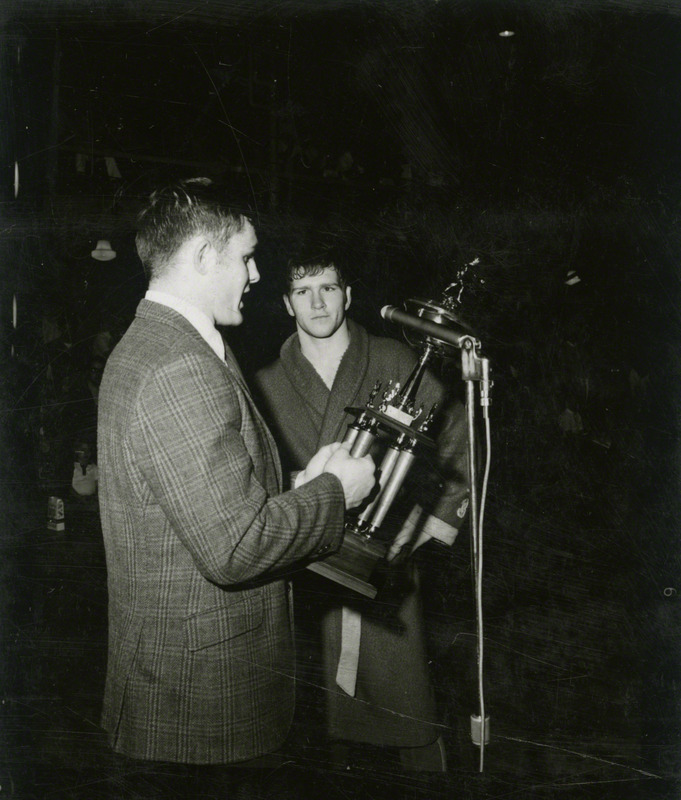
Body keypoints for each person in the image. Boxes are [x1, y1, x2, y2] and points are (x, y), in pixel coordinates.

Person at [96, 179, 375, 765]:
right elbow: (235, 544)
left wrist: (296, 487)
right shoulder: (180, 366)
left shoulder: (161, 345)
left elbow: (208, 502)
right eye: (246, 258)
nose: (254, 276)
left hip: (181, 689)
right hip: (202, 707)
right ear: (203, 256)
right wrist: (335, 493)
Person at [254, 253, 469, 771]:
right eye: (303, 292)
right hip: (303, 566)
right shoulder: (262, 383)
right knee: (316, 729)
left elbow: (461, 441)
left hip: (387, 564)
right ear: (286, 304)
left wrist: (423, 530)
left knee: (407, 709)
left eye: (328, 288)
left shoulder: (396, 360)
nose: (318, 301)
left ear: (348, 295)